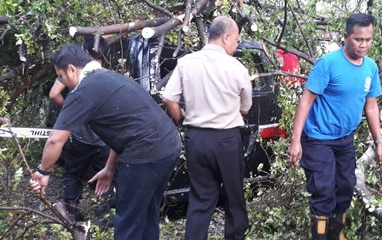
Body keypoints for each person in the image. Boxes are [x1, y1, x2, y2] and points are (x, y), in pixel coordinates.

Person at [30, 43, 181, 240]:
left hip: (145, 154)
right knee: (147, 213)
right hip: (168, 148)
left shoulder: (84, 90)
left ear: (71, 69)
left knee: (128, 221)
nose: (62, 81)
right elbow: (121, 131)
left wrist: (42, 171)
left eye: (61, 76)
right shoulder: (110, 77)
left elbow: (55, 140)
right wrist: (109, 168)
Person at [288, 13, 382, 239]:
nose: (363, 45)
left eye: (368, 40)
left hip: (345, 139)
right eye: (358, 39)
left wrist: (379, 142)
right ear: (346, 37)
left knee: (345, 188)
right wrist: (295, 141)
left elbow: (371, 106)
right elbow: (306, 101)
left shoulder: (370, 67)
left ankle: (336, 234)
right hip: (317, 138)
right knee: (323, 193)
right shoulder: (329, 64)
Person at [162, 16, 252, 240]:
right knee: (234, 198)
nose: (236, 45)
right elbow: (245, 109)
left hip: (197, 140)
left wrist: (183, 120)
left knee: (201, 200)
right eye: (236, 40)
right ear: (226, 37)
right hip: (227, 140)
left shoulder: (186, 62)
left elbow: (169, 99)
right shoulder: (237, 68)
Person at [48, 37, 114, 225]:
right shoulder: (108, 75)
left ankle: (73, 213)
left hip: (79, 136)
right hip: (104, 140)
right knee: (107, 174)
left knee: (73, 173)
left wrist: (71, 112)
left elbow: (53, 94)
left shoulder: (76, 73)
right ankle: (103, 217)